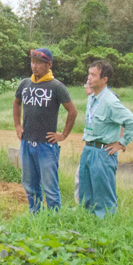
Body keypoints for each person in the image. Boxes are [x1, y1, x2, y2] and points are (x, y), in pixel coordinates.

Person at [13, 48, 77, 213]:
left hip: (46, 146)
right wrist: (17, 126)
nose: (34, 66)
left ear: (49, 64)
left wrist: (63, 135)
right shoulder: (25, 84)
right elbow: (17, 103)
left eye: (39, 63)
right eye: (32, 62)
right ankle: (36, 216)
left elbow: (72, 111)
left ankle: (54, 220)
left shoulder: (56, 86)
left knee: (50, 187)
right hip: (27, 143)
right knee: (29, 184)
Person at [77, 60, 133, 218]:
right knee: (86, 193)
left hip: (103, 152)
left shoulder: (110, 101)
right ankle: (86, 225)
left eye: (94, 75)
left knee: (103, 195)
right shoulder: (92, 98)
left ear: (104, 79)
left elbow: (132, 122)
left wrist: (121, 143)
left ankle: (106, 229)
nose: (89, 78)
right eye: (89, 74)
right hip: (89, 148)